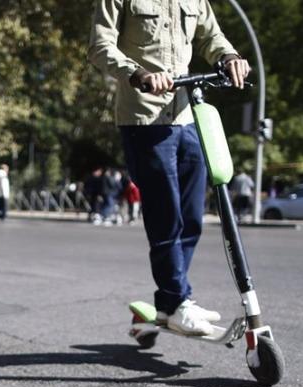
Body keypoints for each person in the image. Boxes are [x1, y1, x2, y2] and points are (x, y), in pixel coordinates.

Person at [89, 0, 250, 336]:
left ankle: (170, 302)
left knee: (192, 216)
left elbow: (211, 37)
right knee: (166, 216)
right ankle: (177, 301)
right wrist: (137, 73)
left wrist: (230, 56)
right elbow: (100, 45)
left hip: (186, 116)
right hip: (143, 119)